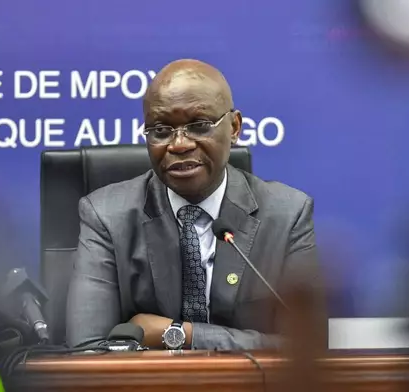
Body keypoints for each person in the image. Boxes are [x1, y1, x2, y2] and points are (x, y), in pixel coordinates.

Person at [67, 59, 325, 351]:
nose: (179, 145)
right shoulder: (105, 216)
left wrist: (180, 334)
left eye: (199, 126)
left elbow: (308, 348)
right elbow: (86, 350)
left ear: (234, 127)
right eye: (161, 130)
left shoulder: (288, 214)